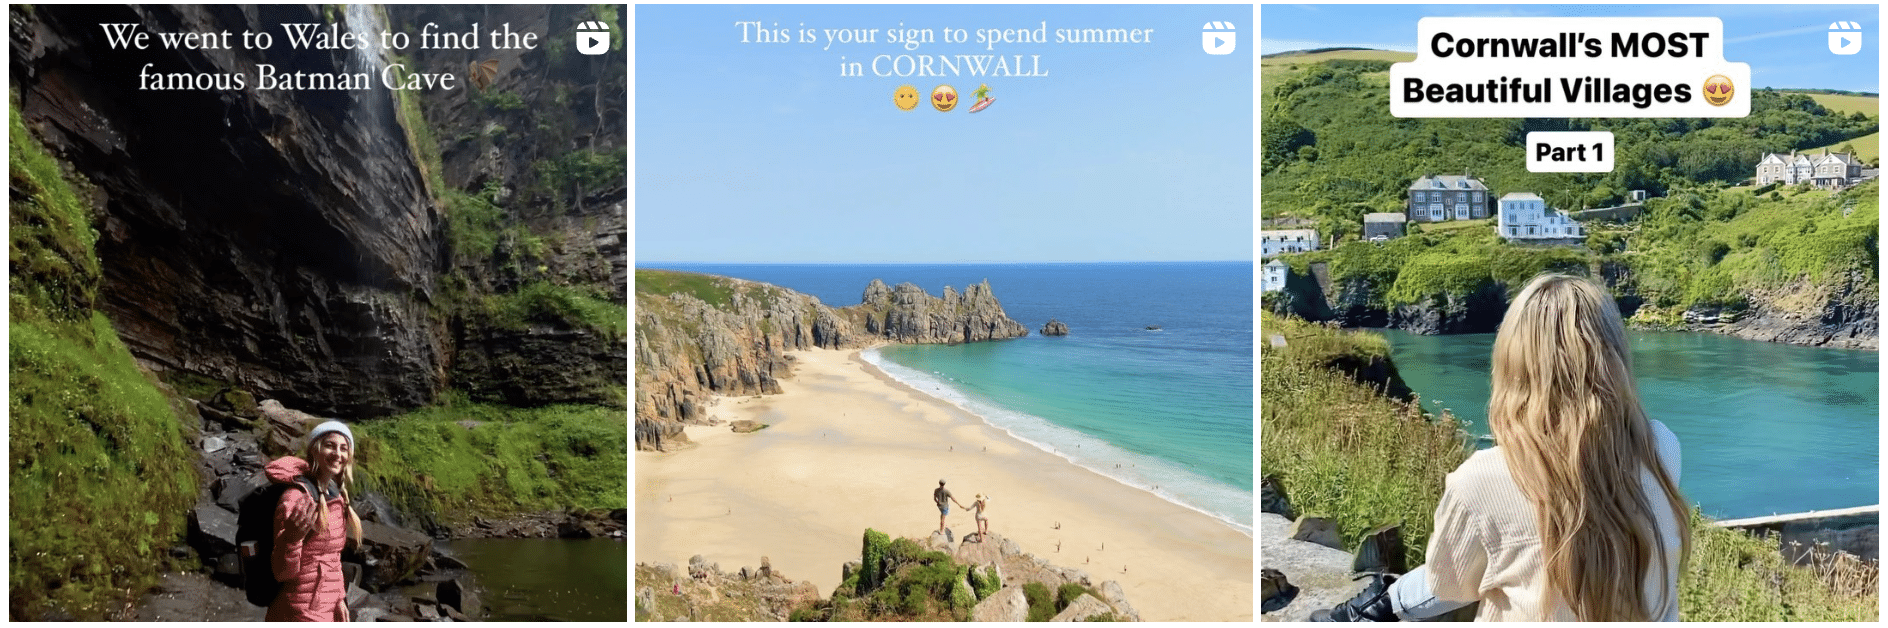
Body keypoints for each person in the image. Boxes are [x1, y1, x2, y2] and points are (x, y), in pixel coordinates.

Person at [1314, 274, 1690, 622]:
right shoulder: (1661, 448)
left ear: (1512, 360)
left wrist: (1380, 604)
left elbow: (1447, 585)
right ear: (1614, 356)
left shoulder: (1481, 479)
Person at [267, 421, 365, 622]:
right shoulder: (296, 497)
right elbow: (281, 573)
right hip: (297, 610)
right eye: (330, 445)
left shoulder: (336, 496)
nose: (338, 454)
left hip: (325, 606)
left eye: (344, 448)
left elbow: (331, 558)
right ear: (315, 450)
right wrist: (292, 538)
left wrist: (339, 598)